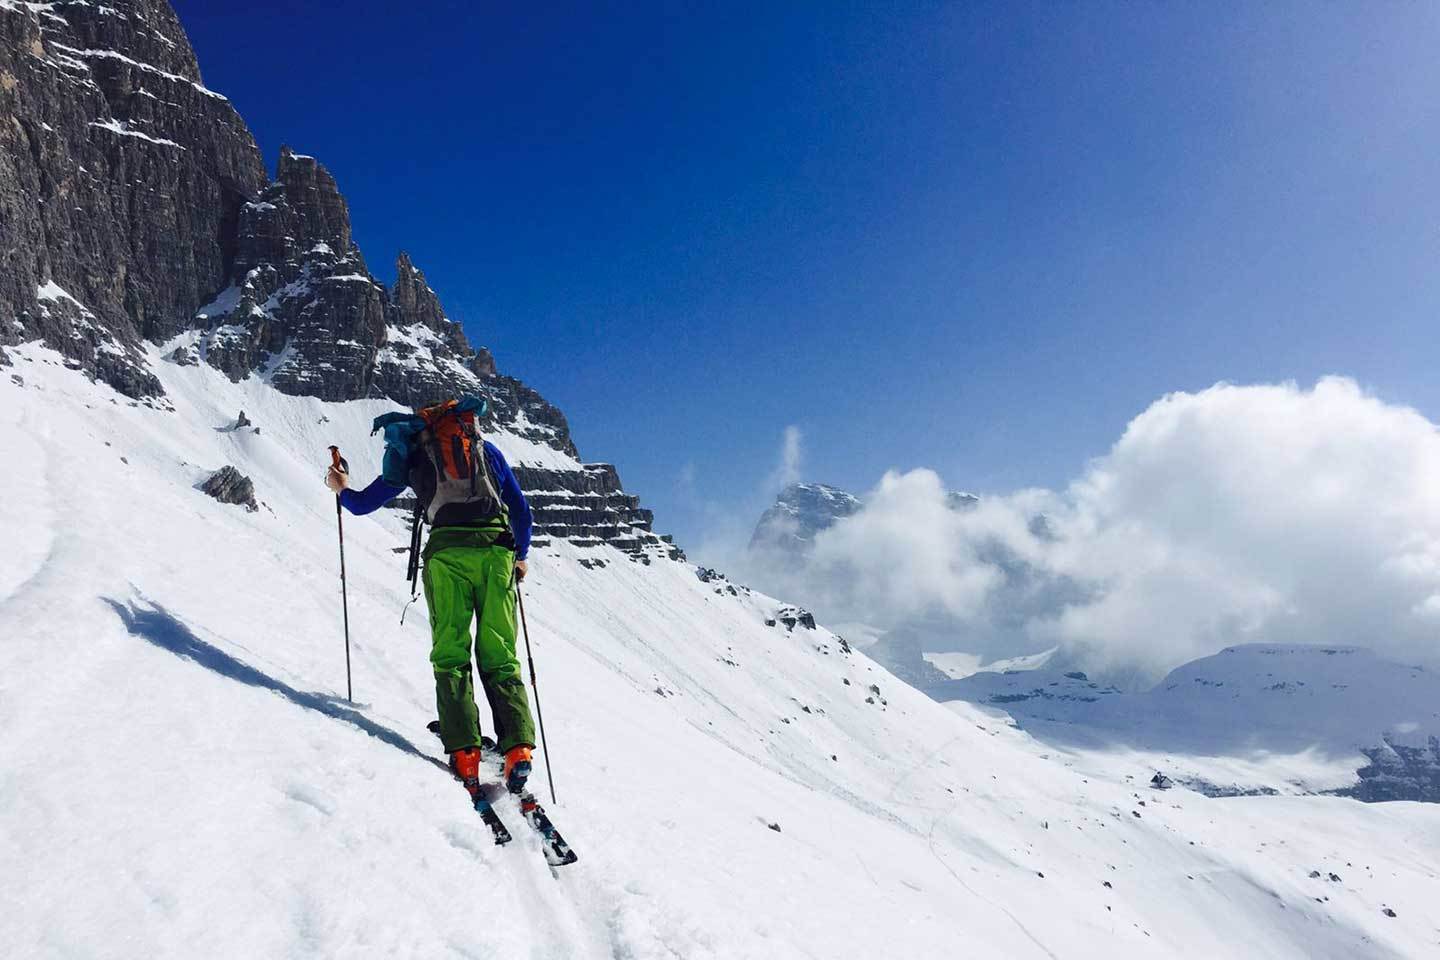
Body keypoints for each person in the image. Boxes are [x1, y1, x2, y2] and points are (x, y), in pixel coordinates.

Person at [325, 396, 536, 801]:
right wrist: (520, 558)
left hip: (445, 558)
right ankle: (517, 750)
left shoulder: (414, 456)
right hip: (496, 553)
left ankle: (466, 753)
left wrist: (342, 489)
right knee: (500, 654)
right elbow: (522, 514)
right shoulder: (485, 451)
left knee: (451, 654)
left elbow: (364, 504)